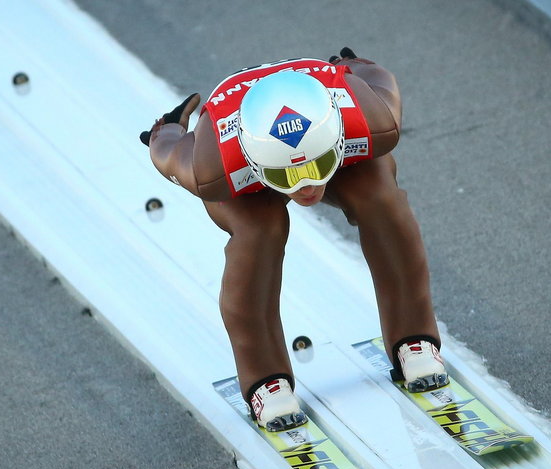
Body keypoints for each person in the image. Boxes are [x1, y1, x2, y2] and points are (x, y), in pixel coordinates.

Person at [142, 48, 448, 432]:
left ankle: (414, 339)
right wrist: (168, 128)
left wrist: (351, 67)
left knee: (379, 198)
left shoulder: (370, 118)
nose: (306, 187)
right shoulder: (214, 164)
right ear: (257, 164)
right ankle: (264, 380)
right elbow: (168, 152)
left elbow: (377, 79)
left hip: (324, 138)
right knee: (260, 230)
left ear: (336, 138)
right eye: (287, 176)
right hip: (248, 176)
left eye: (317, 167)